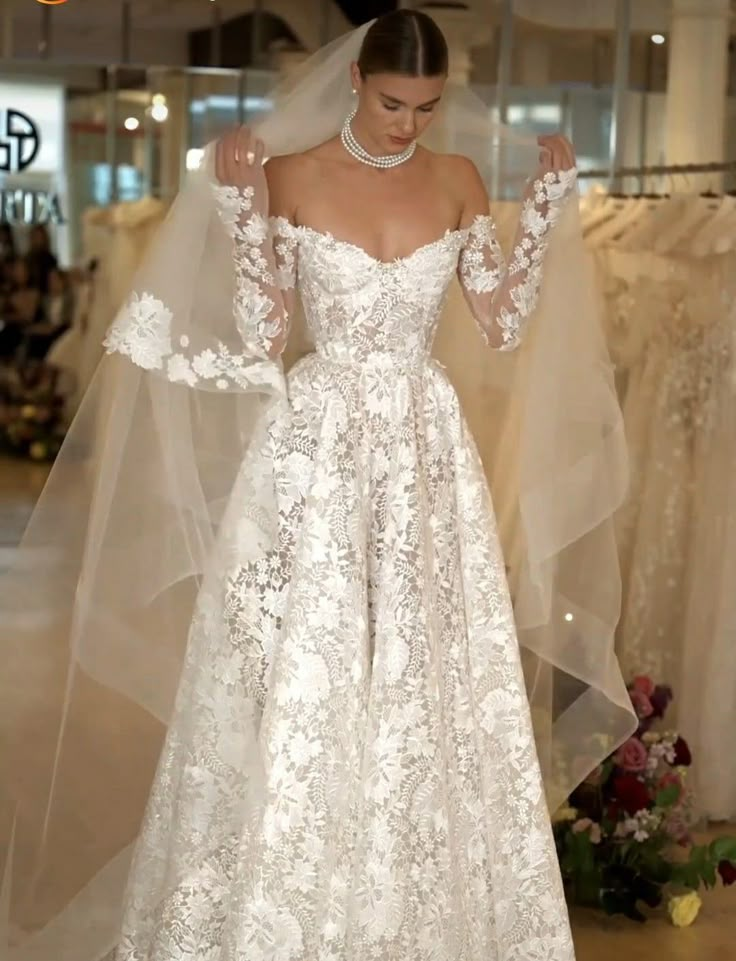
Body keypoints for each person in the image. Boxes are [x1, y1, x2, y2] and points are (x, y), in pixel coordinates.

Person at [1, 12, 635, 961]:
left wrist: (543, 210)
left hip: (426, 450)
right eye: (391, 102)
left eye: (425, 107)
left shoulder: (459, 182)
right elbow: (263, 331)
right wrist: (240, 207)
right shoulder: (291, 175)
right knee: (304, 661)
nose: (407, 123)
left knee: (426, 667)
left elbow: (500, 323)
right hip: (316, 448)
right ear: (356, 83)